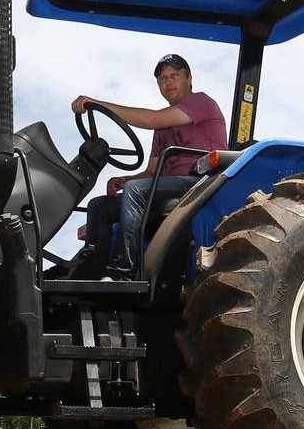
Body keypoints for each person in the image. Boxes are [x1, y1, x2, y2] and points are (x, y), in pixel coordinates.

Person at [72, 53, 227, 277]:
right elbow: (152, 171)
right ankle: (91, 273)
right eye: (162, 78)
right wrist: (124, 180)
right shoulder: (163, 125)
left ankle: (124, 269)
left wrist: (96, 103)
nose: (168, 82)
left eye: (174, 75)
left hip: (200, 184)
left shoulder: (201, 102)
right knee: (100, 206)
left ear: (189, 78)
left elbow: (151, 119)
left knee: (136, 191)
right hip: (166, 186)